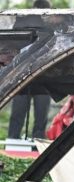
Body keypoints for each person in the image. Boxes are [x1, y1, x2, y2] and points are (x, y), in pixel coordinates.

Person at [7, 0, 52, 140]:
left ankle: (34, 143)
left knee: (39, 114)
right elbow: (13, 44)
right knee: (22, 113)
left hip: (41, 75)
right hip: (26, 74)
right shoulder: (23, 21)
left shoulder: (51, 25)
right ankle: (14, 141)